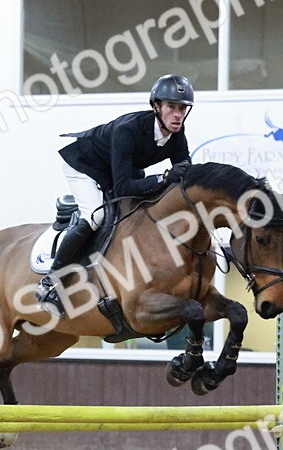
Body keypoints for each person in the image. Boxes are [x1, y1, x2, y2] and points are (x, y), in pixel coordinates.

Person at [35, 74, 195, 316]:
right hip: (84, 164)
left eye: (182, 108)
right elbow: (122, 188)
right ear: (156, 106)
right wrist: (163, 177)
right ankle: (51, 281)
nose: (177, 114)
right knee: (95, 217)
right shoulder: (127, 130)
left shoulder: (177, 135)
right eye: (171, 107)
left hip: (117, 169)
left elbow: (184, 173)